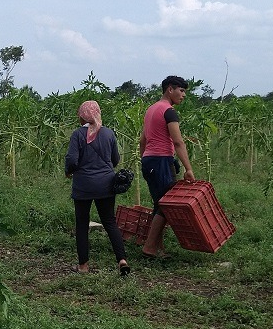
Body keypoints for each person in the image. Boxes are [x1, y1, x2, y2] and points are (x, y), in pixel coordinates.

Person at [65, 100, 130, 276]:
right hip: (106, 184)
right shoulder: (108, 133)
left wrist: (69, 171)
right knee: (110, 222)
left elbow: (72, 160)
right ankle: (122, 260)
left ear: (83, 116)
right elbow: (114, 159)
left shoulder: (78, 134)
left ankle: (84, 266)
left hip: (83, 186)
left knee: (82, 224)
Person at [139, 76, 196, 257]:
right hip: (161, 160)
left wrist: (145, 160)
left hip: (150, 160)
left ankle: (158, 247)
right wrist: (188, 168)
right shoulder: (169, 112)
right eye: (181, 90)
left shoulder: (151, 109)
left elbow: (143, 140)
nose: (183, 95)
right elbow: (178, 142)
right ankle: (149, 247)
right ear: (170, 89)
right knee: (166, 205)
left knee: (160, 203)